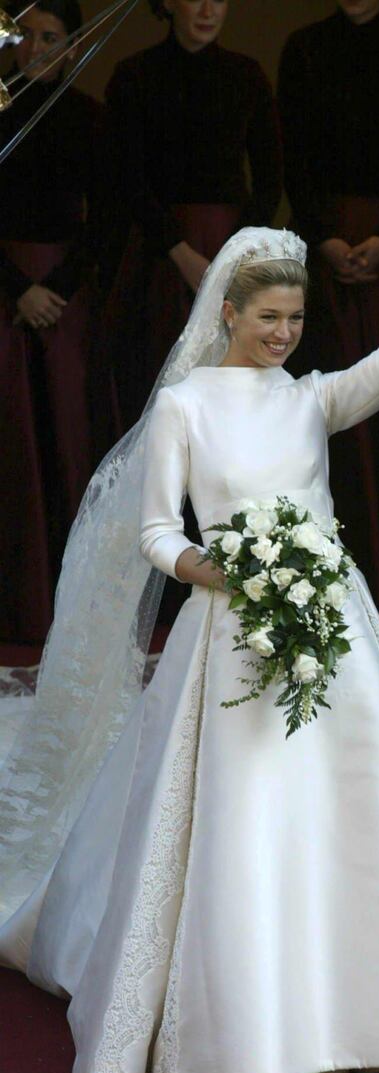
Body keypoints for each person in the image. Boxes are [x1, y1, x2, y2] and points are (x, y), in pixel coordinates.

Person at [0, 176, 379, 1073]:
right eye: (269, 317)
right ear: (227, 311)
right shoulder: (186, 406)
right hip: (231, 629)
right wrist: (225, 573)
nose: (284, 335)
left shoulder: (310, 399)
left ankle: (359, 1015)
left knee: (352, 815)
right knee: (248, 821)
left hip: (335, 630)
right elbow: (156, 533)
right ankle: (257, 1024)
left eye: (297, 320)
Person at [277, 0, 379, 603]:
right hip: (320, 247)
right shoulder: (303, 47)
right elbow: (289, 155)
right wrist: (323, 237)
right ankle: (320, 557)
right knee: (323, 403)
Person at [99, 0, 282, 432]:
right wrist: (181, 254)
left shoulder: (247, 75)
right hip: (158, 254)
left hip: (232, 249)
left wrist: (232, 255)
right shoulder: (133, 75)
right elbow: (128, 179)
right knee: (155, 381)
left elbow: (271, 179)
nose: (206, 9)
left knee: (233, 389)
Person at [0, 0, 101, 644]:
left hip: (67, 296)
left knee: (68, 437)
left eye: (52, 38)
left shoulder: (90, 117)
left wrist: (55, 288)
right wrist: (18, 290)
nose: (37, 48)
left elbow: (107, 215)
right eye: (27, 36)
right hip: (5, 292)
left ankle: (72, 599)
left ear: (70, 48)